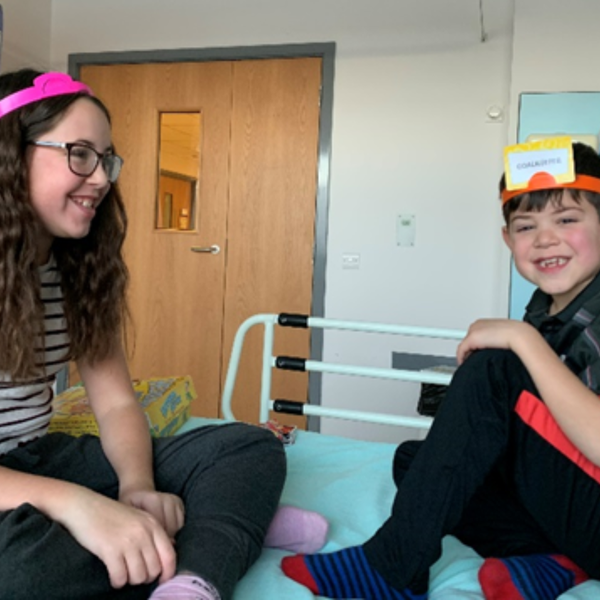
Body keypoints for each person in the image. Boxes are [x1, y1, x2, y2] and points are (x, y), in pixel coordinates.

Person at [0, 67, 329, 600]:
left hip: (39, 456)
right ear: (11, 156)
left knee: (247, 446)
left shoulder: (78, 272)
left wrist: (137, 488)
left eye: (106, 159)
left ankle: (189, 568)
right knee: (21, 572)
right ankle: (218, 529)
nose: (101, 179)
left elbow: (115, 405)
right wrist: (78, 505)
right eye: (79, 154)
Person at [282, 140, 600, 600]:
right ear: (507, 239)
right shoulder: (545, 309)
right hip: (578, 518)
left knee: (494, 369)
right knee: (417, 464)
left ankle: (392, 569)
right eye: (526, 226)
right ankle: (551, 560)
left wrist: (523, 341)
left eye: (567, 219)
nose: (545, 238)